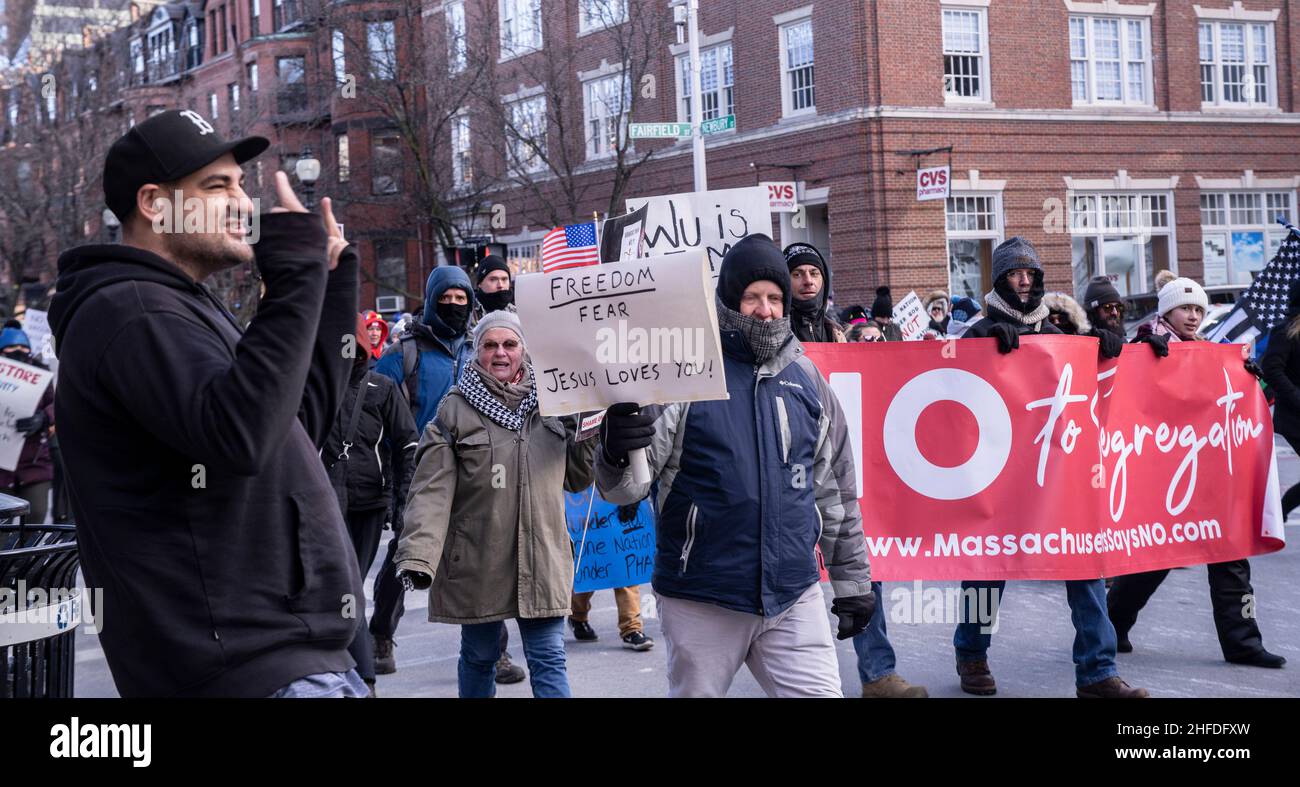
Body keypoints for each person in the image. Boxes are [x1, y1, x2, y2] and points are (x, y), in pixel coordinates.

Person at [49, 110, 363, 697]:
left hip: (290, 657)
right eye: (217, 186)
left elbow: (294, 430)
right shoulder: (132, 311)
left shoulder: (178, 306)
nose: (243, 203)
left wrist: (330, 286)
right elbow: (238, 437)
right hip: (246, 668)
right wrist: (293, 275)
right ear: (153, 202)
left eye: (241, 184)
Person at [596, 234, 876, 698]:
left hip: (791, 592)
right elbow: (624, 489)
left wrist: (853, 582)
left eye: (774, 298)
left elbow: (835, 491)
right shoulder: (683, 374)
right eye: (752, 298)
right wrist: (614, 450)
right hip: (703, 594)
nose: (765, 310)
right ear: (729, 301)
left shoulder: (807, 378)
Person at [957, 236, 1147, 698]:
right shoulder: (979, 329)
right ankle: (972, 652)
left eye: (1030, 274)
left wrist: (1109, 345)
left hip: (1059, 469)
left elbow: (1090, 378)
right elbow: (950, 386)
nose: (1023, 281)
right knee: (988, 567)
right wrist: (977, 343)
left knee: (1084, 562)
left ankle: (1097, 670)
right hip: (998, 471)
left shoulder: (1061, 335)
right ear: (1000, 280)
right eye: (1014, 274)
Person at [395, 311, 595, 697]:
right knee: (479, 655)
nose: (500, 353)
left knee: (549, 657)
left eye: (510, 344)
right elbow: (431, 491)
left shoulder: (557, 400)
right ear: (477, 351)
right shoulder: (453, 411)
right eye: (490, 345)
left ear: (524, 349)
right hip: (478, 560)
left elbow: (577, 478)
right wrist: (417, 557)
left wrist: (589, 431)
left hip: (542, 557)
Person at [369, 264, 535, 681]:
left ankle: (494, 652)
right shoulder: (404, 355)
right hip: (423, 470)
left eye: (462, 298)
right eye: (446, 299)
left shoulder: (479, 347)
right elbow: (373, 412)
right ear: (431, 300)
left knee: (486, 558)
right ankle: (380, 636)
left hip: (481, 468)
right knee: (406, 553)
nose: (455, 305)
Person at [1109, 277, 1285, 668]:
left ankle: (1243, 641)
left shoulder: (1208, 352)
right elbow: (1119, 392)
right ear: (1166, 311)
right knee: (1156, 558)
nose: (1192, 315)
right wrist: (1138, 355)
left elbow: (1234, 405)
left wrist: (1253, 382)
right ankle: (1112, 621)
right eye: (1185, 308)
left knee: (1230, 551)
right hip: (1162, 474)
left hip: (1208, 471)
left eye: (1199, 310)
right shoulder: (1144, 343)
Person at [322, 314, 418, 696]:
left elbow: (407, 443)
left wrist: (401, 500)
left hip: (366, 503)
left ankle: (363, 676)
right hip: (326, 502)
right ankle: (355, 671)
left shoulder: (381, 387)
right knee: (340, 587)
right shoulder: (315, 389)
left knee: (348, 587)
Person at [569, 501, 655, 650]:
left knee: (624, 563)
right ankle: (577, 614)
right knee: (592, 568)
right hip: (586, 501)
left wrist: (635, 497)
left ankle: (631, 628)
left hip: (618, 497)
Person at [0, 326, 55, 523]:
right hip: (1, 467)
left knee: (36, 520)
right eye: (12, 346)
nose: (18, 351)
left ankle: (28, 556)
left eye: (23, 347)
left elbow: (57, 403)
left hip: (34, 463)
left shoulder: (41, 373)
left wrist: (44, 418)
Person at [783, 242, 845, 342]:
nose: (808, 281)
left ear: (824, 280)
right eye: (797, 274)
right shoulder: (775, 333)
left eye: (814, 273)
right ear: (785, 280)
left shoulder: (837, 334)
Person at [469, 254, 516, 329]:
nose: (500, 285)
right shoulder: (468, 313)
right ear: (480, 284)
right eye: (493, 279)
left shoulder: (516, 312)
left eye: (504, 279)